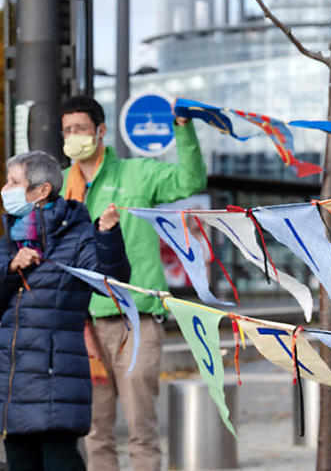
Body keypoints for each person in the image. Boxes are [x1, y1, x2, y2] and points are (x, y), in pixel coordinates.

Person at [59, 95, 207, 470]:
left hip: (136, 322)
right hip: (83, 329)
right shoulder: (60, 187)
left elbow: (190, 180)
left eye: (80, 129)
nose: (73, 137)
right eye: (67, 130)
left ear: (101, 131)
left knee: (142, 428)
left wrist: (184, 129)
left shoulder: (137, 174)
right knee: (95, 432)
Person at [0, 151, 130, 470]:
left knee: (60, 460)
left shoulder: (76, 234)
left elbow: (111, 281)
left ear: (42, 190)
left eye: (14, 182)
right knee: (20, 460)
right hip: (12, 383)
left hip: (54, 379)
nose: (5, 188)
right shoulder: (8, 241)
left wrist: (107, 236)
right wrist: (10, 268)